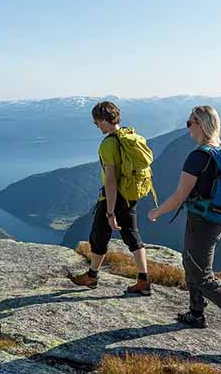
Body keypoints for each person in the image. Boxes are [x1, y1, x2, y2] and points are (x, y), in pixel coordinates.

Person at [147, 105, 221, 351]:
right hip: (216, 220)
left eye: (189, 122)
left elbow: (180, 196)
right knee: (191, 264)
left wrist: (155, 212)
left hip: (202, 222)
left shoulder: (199, 156)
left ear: (200, 125)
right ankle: (196, 312)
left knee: (202, 275)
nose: (187, 127)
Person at [69, 101, 152, 296]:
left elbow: (111, 181)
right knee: (132, 235)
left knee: (99, 234)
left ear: (104, 120)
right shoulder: (129, 135)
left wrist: (110, 211)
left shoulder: (109, 144)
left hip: (115, 197)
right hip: (132, 193)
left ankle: (92, 276)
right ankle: (143, 279)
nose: (96, 125)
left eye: (96, 122)